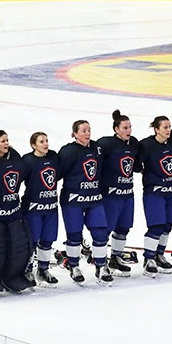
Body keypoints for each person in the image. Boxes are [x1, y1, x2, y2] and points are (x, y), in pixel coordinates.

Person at [0, 130, 34, 294]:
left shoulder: (14, 156)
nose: (6, 144)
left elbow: (21, 174)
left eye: (7, 140)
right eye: (3, 141)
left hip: (14, 210)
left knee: (19, 245)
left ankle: (13, 276)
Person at [58, 120, 112, 285]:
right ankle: (74, 266)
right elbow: (58, 173)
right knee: (74, 234)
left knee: (100, 232)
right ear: (75, 133)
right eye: (83, 131)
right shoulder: (68, 151)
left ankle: (101, 265)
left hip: (94, 199)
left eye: (89, 130)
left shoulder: (97, 148)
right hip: (73, 200)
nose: (87, 133)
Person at [138, 116, 172, 275]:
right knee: (156, 226)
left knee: (168, 224)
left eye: (169, 126)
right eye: (165, 127)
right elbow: (136, 164)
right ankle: (149, 258)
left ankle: (159, 254)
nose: (168, 130)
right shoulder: (146, 145)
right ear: (156, 129)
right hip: (155, 193)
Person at [97, 110, 140, 277]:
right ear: (116, 129)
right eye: (125, 128)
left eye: (130, 127)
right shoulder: (106, 144)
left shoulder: (133, 143)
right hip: (111, 195)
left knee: (124, 227)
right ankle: (101, 262)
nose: (129, 130)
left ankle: (116, 258)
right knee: (106, 229)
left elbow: (136, 164)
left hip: (127, 194)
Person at [22, 132, 60, 286]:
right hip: (33, 209)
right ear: (33, 145)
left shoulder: (53, 157)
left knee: (47, 239)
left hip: (51, 208)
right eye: (41, 141)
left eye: (46, 140)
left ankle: (43, 270)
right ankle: (27, 269)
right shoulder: (27, 161)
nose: (45, 144)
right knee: (32, 240)